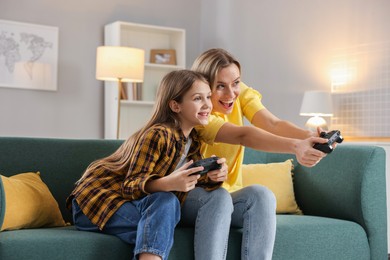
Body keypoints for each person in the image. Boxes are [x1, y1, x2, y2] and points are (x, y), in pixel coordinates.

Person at [66, 70, 230, 260]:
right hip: (96, 201)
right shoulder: (158, 134)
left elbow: (186, 185)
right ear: (175, 105)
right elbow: (130, 186)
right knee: (165, 211)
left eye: (208, 97)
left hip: (141, 204)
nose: (207, 104)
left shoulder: (193, 141)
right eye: (197, 98)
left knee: (166, 207)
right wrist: (168, 184)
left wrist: (211, 177)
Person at [190, 48, 329, 260]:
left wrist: (311, 137)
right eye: (220, 86)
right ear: (203, 87)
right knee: (218, 198)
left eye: (235, 83)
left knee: (262, 195)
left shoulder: (237, 91)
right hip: (194, 199)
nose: (230, 94)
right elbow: (244, 135)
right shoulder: (199, 113)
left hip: (229, 196)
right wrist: (296, 147)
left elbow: (272, 123)